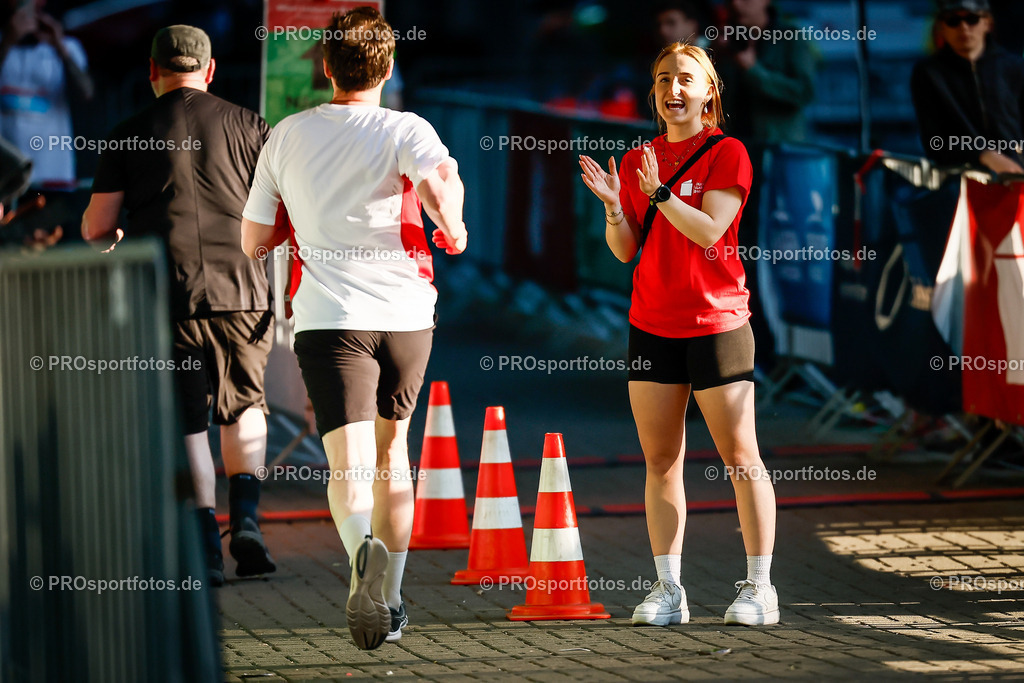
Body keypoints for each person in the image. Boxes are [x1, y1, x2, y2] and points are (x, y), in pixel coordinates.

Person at [240, 7, 466, 650]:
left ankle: (359, 551)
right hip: (405, 313)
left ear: (324, 68)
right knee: (396, 458)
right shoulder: (406, 127)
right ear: (388, 69)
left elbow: (254, 237)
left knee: (348, 462)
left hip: (328, 317)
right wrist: (453, 227)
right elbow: (441, 188)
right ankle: (391, 600)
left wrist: (292, 227)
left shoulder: (286, 134)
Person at [578, 41, 779, 626]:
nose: (674, 88)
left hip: (717, 322)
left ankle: (759, 587)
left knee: (742, 458)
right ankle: (669, 590)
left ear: (708, 91)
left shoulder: (727, 152)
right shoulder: (640, 157)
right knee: (661, 460)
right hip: (652, 324)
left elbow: (709, 231)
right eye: (664, 77)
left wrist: (660, 192)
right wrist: (617, 207)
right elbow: (625, 253)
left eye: (686, 78)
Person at [81, 25, 276, 587]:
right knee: (244, 407)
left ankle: (203, 549)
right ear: (210, 71)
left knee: (190, 421)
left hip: (171, 295)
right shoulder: (250, 126)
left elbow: (97, 227)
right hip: (243, 291)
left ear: (152, 73)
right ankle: (247, 525)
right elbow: (277, 211)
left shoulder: (126, 133)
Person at [911, 0, 1024, 174]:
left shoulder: (1014, 68)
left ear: (987, 22)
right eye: (953, 21)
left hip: (1015, 179)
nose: (963, 27)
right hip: (958, 182)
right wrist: (984, 155)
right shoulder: (929, 73)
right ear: (941, 27)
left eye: (972, 19)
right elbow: (934, 140)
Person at [713, 0, 817, 144]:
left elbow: (804, 92)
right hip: (733, 146)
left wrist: (752, 70)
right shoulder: (725, 40)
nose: (736, 4)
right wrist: (715, 58)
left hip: (777, 150)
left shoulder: (790, 37)